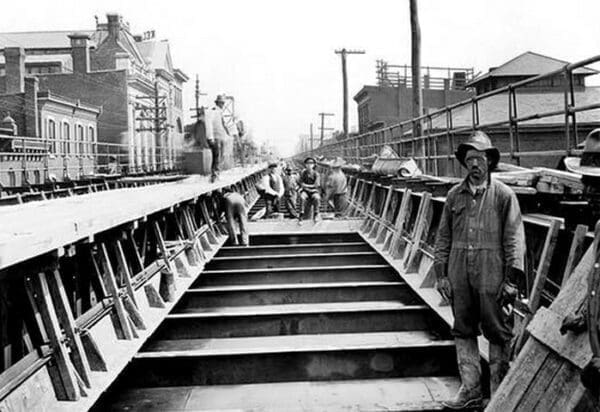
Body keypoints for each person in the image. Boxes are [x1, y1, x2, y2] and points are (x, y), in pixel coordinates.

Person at [433, 130, 525, 409]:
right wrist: (441, 275)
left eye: (479, 159)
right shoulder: (453, 196)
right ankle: (471, 390)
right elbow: (443, 238)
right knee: (462, 329)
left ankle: (498, 395)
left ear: (489, 162)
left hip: (492, 274)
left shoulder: (503, 196)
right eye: (469, 159)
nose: (474, 164)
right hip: (460, 273)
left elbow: (514, 239)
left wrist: (511, 280)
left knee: (498, 331)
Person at [207, 95, 231, 183]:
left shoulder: (220, 112)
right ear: (217, 103)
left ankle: (217, 174)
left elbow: (223, 124)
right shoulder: (212, 111)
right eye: (221, 103)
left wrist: (228, 134)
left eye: (223, 103)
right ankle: (214, 175)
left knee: (221, 156)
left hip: (221, 137)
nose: (223, 105)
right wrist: (210, 138)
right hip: (215, 137)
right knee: (216, 157)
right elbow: (209, 125)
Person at [298, 157, 321, 223]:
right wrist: (307, 186)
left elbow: (316, 185)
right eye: (307, 163)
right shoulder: (303, 173)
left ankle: (316, 214)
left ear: (313, 165)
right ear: (305, 165)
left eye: (311, 163)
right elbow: (301, 183)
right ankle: (301, 214)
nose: (309, 165)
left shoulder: (316, 174)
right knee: (302, 197)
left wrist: (306, 186)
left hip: (313, 191)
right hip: (305, 191)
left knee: (317, 198)